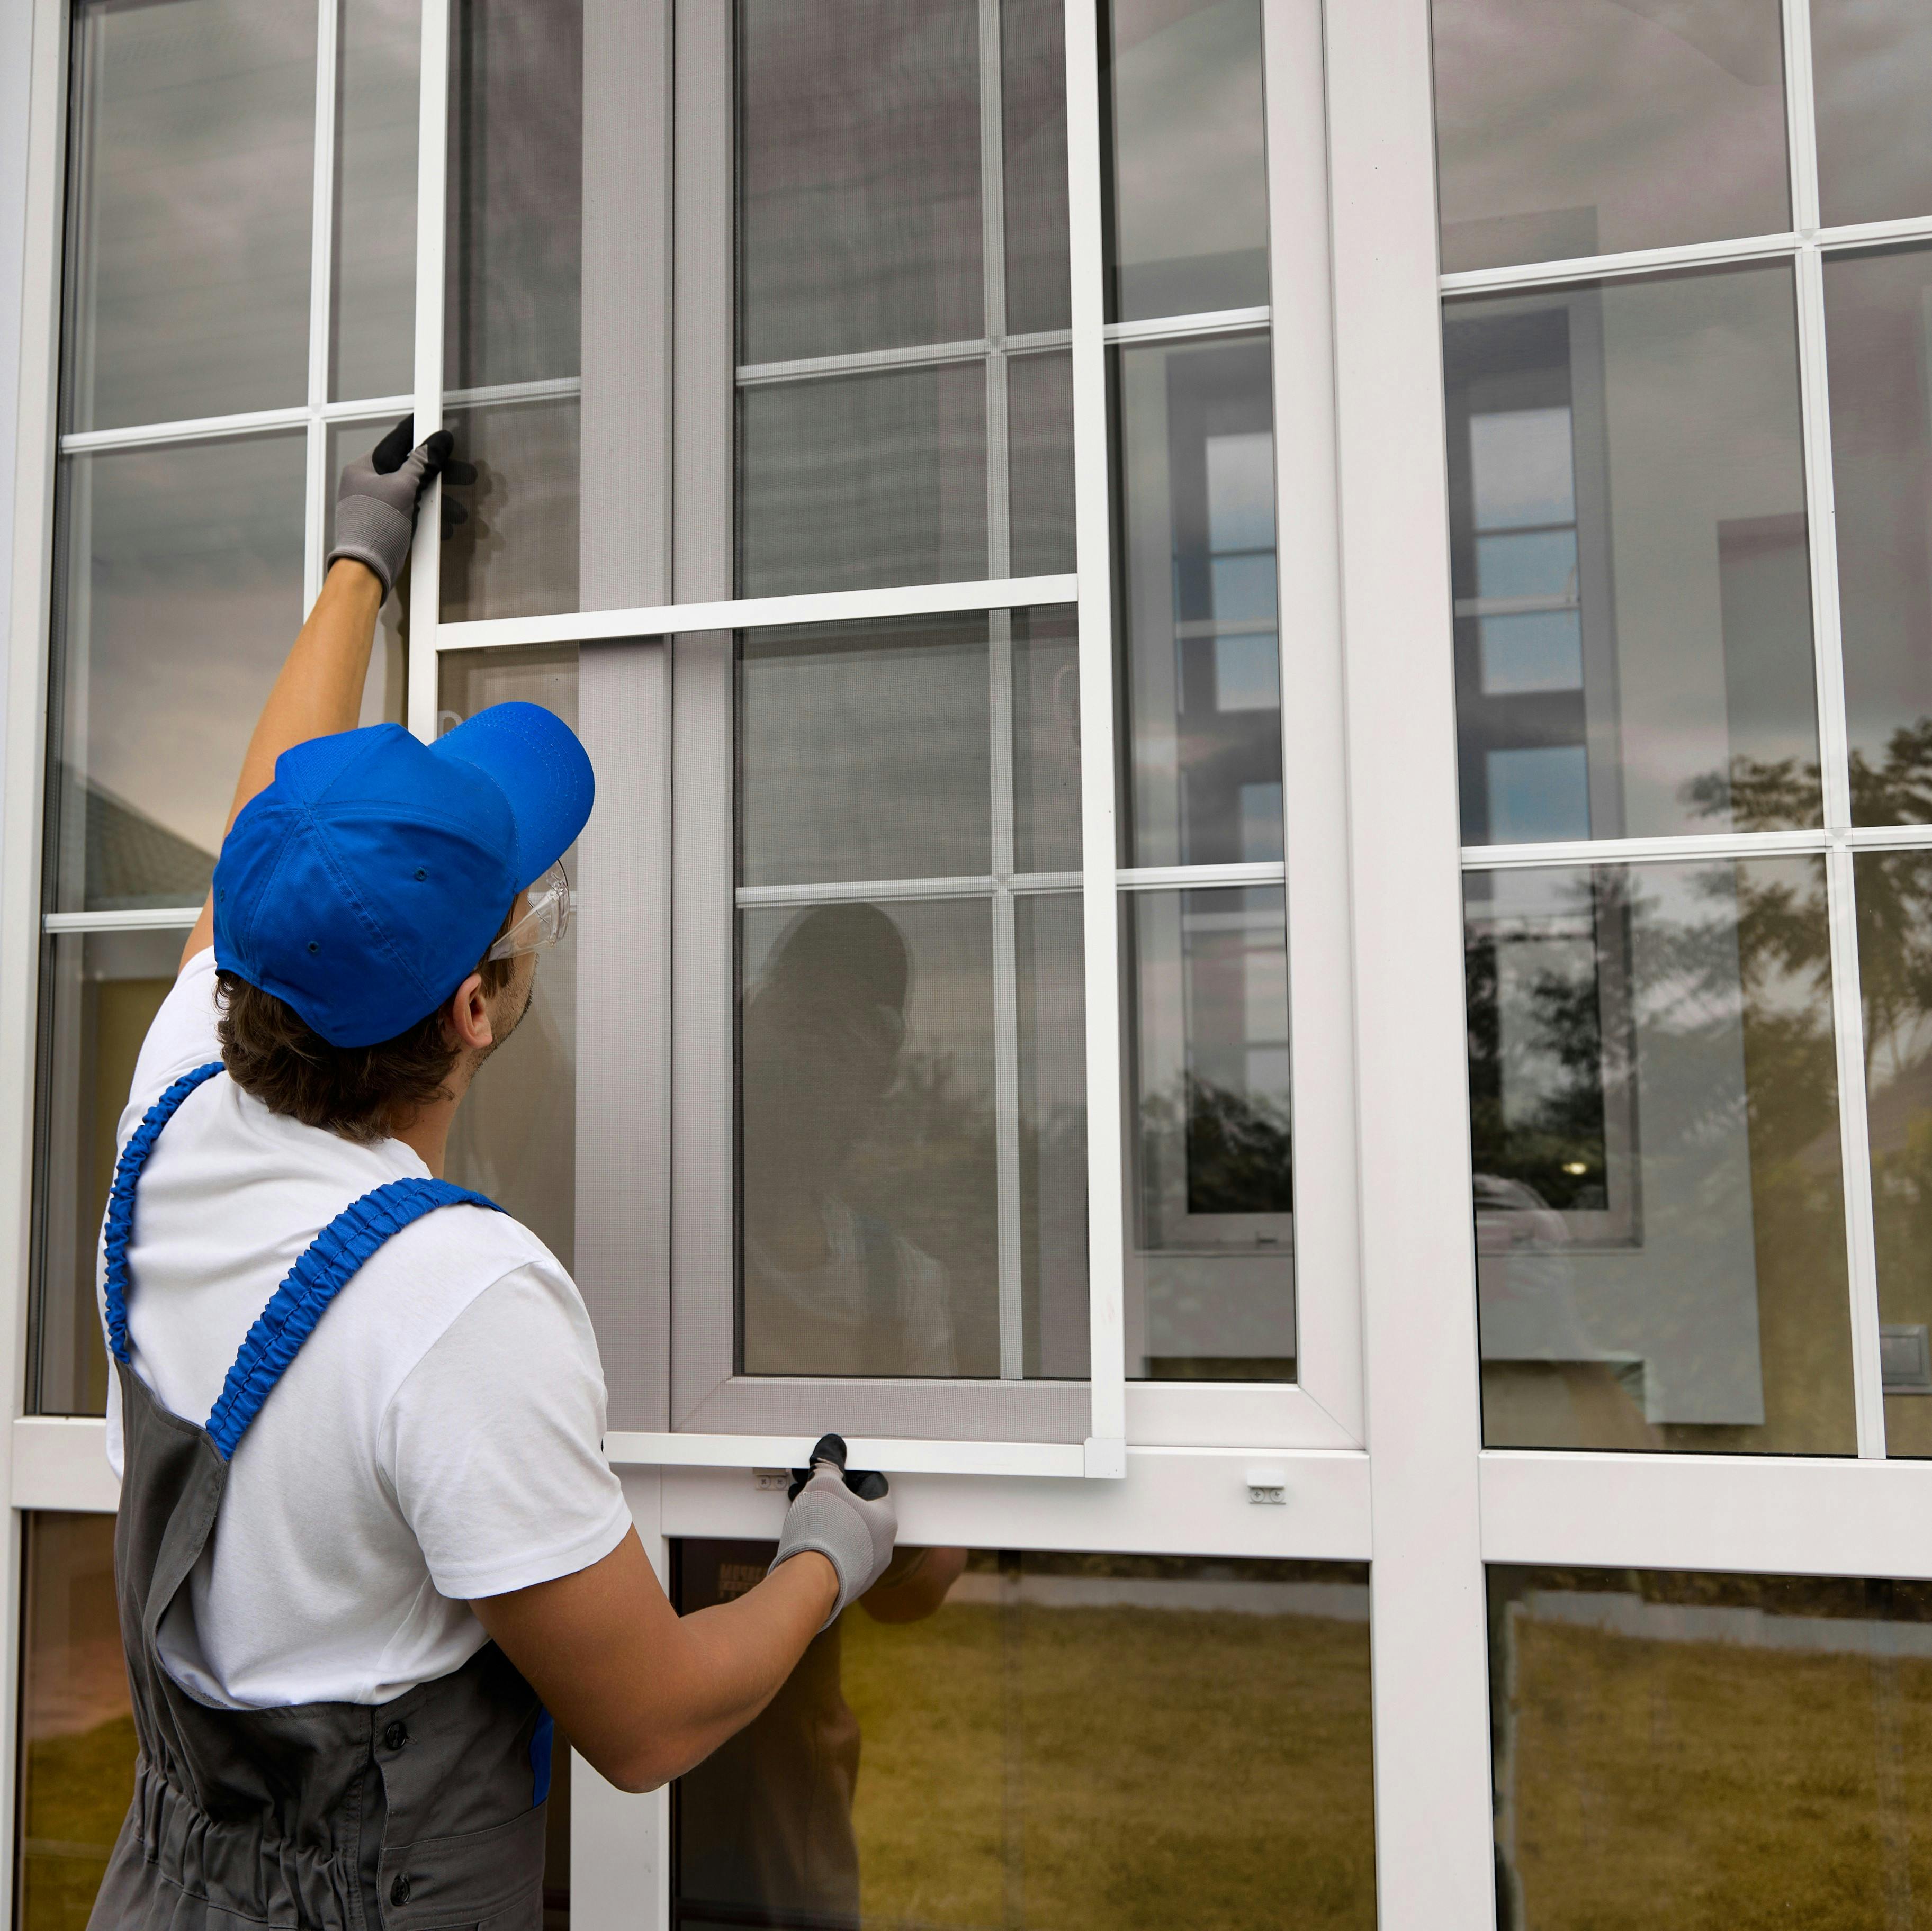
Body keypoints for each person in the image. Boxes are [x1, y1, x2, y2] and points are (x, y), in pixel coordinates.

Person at [87, 420, 899, 1931]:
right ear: (478, 1007)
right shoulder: (453, 1300)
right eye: (527, 905)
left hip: (165, 1880)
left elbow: (265, 821)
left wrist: (359, 567)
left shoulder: (177, 1097)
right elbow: (647, 1720)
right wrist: (819, 1561)